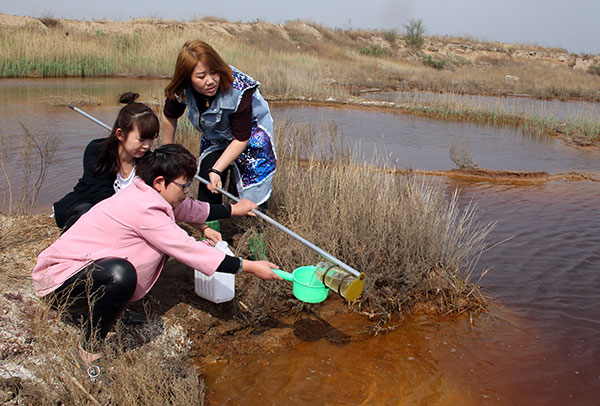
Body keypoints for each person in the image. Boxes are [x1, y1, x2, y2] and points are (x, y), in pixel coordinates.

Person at [32, 144, 281, 381]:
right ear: (160, 182)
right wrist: (249, 267)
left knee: (119, 274)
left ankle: (111, 307)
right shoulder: (144, 208)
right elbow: (187, 249)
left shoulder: (148, 191)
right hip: (59, 285)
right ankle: (89, 348)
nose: (187, 192)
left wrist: (234, 209)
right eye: (184, 186)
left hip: (86, 274)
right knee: (121, 275)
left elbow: (189, 209)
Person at [162, 40, 277, 207]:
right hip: (216, 135)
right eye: (201, 77)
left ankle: (257, 229)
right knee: (207, 176)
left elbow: (241, 138)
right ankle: (210, 229)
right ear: (187, 77)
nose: (210, 81)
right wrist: (167, 154)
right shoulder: (182, 89)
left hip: (250, 135)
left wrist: (218, 170)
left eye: (214, 73)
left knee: (253, 189)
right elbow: (169, 117)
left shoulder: (239, 90)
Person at [53, 92, 159, 232]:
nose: (147, 145)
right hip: (86, 204)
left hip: (120, 215)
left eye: (151, 139)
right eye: (141, 140)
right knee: (89, 214)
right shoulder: (97, 151)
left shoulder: (148, 160)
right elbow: (101, 196)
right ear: (120, 134)